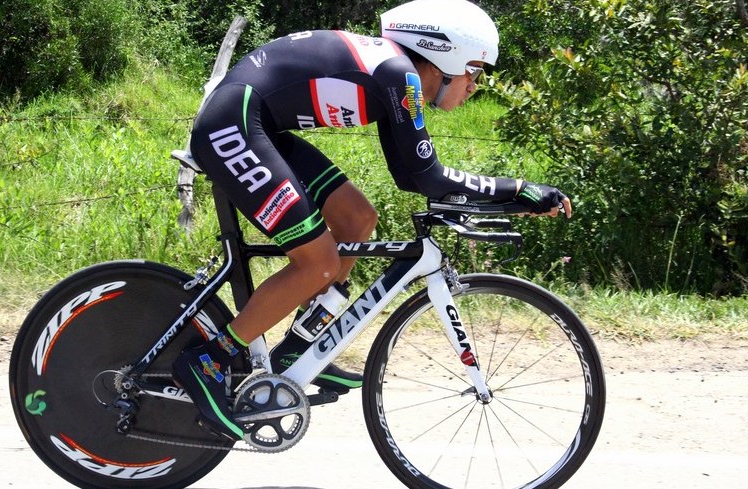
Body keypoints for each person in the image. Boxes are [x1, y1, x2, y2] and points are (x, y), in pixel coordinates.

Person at [173, 0, 572, 441]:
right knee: (319, 263)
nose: (475, 85)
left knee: (357, 218)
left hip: (255, 122)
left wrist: (508, 199)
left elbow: (410, 176)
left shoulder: (394, 74)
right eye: (474, 71)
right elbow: (429, 176)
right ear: (445, 57)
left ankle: (301, 347)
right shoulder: (397, 73)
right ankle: (209, 359)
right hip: (233, 124)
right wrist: (515, 189)